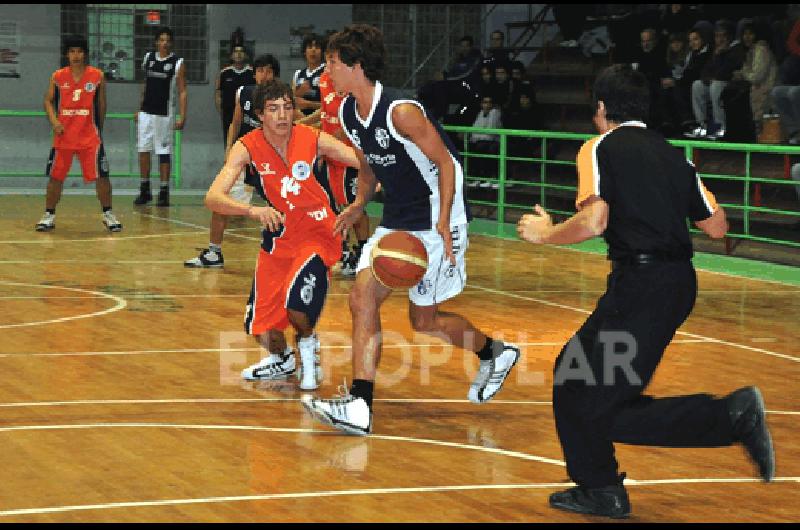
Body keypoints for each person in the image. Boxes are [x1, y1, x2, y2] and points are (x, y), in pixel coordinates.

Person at [517, 64, 774, 519]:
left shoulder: (598, 148)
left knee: (580, 389)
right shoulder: (675, 155)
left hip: (641, 286)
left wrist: (546, 232)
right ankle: (607, 482)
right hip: (676, 285)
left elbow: (595, 221)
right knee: (585, 388)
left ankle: (723, 420)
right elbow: (716, 226)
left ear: (600, 108)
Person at [302, 24, 520, 435]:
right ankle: (360, 406)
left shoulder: (401, 111)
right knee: (361, 298)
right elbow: (367, 166)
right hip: (400, 217)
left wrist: (443, 222)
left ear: (356, 65)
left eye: (332, 62)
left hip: (439, 215)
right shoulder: (349, 112)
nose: (326, 69)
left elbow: (446, 164)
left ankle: (495, 352)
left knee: (425, 322)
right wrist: (357, 204)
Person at [204, 79, 360, 390]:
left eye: (288, 107)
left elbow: (362, 161)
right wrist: (253, 211)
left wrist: (362, 200)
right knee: (259, 326)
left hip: (319, 233)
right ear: (260, 114)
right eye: (274, 109)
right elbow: (213, 197)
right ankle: (282, 358)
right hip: (280, 237)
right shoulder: (246, 146)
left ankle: (308, 345)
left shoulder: (312, 138)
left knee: (296, 306)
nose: (282, 115)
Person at [185, 54, 280, 268]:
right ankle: (213, 253)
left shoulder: (281, 100)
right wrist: (229, 148)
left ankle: (285, 253)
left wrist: (321, 115)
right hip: (244, 159)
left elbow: (297, 123)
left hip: (271, 162)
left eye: (269, 71)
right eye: (261, 70)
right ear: (254, 74)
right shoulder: (244, 93)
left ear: (275, 75)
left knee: (283, 208)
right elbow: (235, 123)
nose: (264, 75)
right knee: (221, 202)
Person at [36, 35, 122, 233]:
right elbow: (47, 101)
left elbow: (101, 105)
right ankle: (49, 214)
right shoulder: (57, 76)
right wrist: (54, 121)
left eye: (80, 51)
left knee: (102, 176)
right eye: (72, 51)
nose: (76, 55)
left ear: (85, 54)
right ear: (67, 54)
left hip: (89, 137)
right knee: (55, 177)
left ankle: (108, 213)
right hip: (64, 135)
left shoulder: (97, 76)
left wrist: (98, 128)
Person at [317, 65, 372, 276]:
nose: (330, 64)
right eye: (328, 59)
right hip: (331, 156)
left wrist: (322, 143)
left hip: (350, 155)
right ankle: (345, 251)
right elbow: (324, 114)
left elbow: (348, 123)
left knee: (354, 205)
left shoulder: (352, 84)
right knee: (336, 207)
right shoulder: (324, 80)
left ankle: (363, 250)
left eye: (334, 59)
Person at [134, 26, 187, 207]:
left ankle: (164, 191)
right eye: (161, 39)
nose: (165, 43)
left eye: (168, 40)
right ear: (157, 42)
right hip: (146, 113)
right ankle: (144, 189)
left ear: (171, 43)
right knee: (143, 149)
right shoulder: (148, 58)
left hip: (164, 114)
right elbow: (145, 84)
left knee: (163, 152)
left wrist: (182, 115)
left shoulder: (177, 63)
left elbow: (182, 91)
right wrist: (139, 108)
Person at [685, 20, 745, 140]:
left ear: (730, 36)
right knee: (697, 85)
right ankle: (702, 126)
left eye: (723, 35)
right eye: (717, 36)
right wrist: (708, 76)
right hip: (716, 82)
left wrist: (720, 56)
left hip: (732, 83)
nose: (720, 39)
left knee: (716, 86)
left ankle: (720, 128)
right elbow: (706, 70)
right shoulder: (715, 50)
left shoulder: (737, 49)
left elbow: (729, 70)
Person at [216, 42, 254, 148]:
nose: (238, 54)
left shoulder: (251, 73)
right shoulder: (224, 73)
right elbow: (218, 93)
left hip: (247, 115)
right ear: (231, 55)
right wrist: (221, 110)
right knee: (230, 142)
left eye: (241, 51)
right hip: (229, 113)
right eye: (236, 52)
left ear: (246, 55)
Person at [293, 33, 326, 117]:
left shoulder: (327, 73)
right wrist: (298, 93)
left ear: (323, 52)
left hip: (320, 123)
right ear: (304, 52)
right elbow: (291, 102)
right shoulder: (298, 74)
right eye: (310, 47)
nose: (313, 50)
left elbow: (332, 106)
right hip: (300, 122)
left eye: (317, 47)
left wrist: (309, 104)